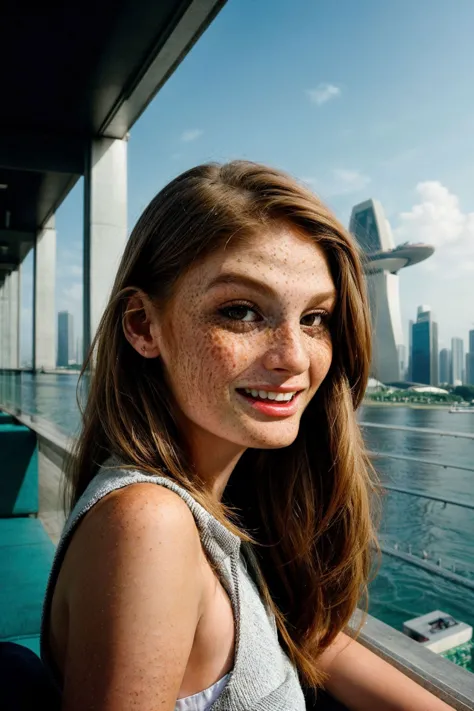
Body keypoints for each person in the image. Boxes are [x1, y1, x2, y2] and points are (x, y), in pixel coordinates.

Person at [40, 161, 453, 711]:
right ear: (142, 326)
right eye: (241, 312)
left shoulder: (219, 507)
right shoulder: (150, 524)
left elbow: (302, 638)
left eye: (315, 319)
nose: (294, 358)